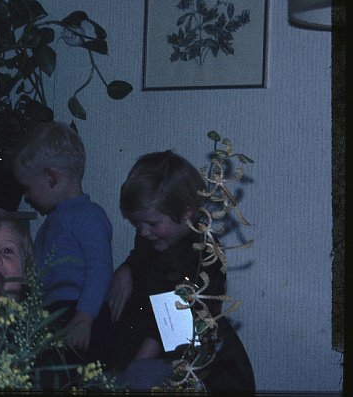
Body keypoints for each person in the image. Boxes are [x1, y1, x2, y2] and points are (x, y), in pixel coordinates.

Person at [107, 150, 255, 392]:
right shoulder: (152, 239)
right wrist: (126, 269)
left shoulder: (203, 253)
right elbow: (140, 258)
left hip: (195, 357)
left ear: (186, 212)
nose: (143, 232)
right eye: (137, 224)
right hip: (154, 346)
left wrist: (134, 369)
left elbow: (179, 320)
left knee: (139, 375)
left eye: (152, 223)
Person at [11, 121, 114, 364]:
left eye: (28, 187)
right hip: (55, 312)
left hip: (81, 311)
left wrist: (85, 316)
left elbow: (100, 268)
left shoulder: (87, 215)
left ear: (51, 178)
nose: (27, 196)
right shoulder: (50, 223)